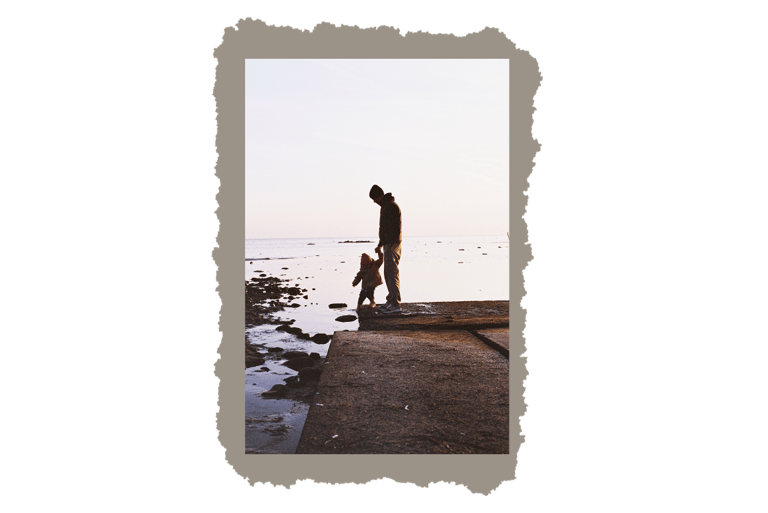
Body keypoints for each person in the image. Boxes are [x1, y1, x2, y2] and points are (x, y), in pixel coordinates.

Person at [369, 184, 402, 313]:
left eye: (374, 199)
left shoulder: (391, 207)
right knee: (388, 273)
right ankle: (391, 300)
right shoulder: (385, 206)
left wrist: (390, 244)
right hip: (388, 244)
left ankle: (395, 304)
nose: (374, 202)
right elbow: (384, 229)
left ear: (379, 196)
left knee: (391, 272)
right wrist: (380, 244)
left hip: (392, 244)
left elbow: (395, 228)